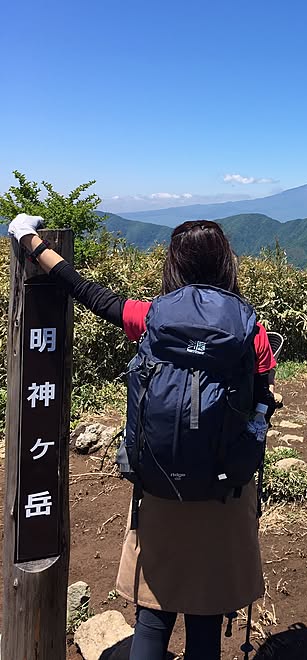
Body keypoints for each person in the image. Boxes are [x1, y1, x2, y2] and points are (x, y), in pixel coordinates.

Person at [8, 214, 276, 660]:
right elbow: (262, 400)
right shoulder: (251, 331)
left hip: (160, 490)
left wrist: (31, 241)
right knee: (206, 626)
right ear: (226, 263)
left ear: (175, 264)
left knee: (152, 620)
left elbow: (89, 293)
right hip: (224, 494)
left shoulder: (152, 317)